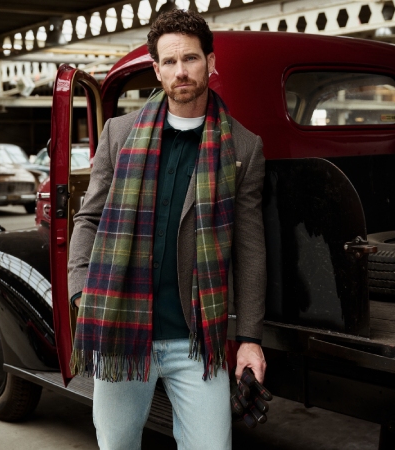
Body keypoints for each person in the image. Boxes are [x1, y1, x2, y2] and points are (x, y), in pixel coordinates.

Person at [67, 9, 266, 450]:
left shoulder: (244, 147)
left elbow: (250, 250)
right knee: (116, 444)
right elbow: (89, 219)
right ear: (156, 70)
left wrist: (250, 339)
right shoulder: (118, 134)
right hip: (123, 330)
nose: (181, 72)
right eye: (170, 62)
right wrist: (80, 289)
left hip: (196, 340)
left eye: (191, 59)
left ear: (210, 63)